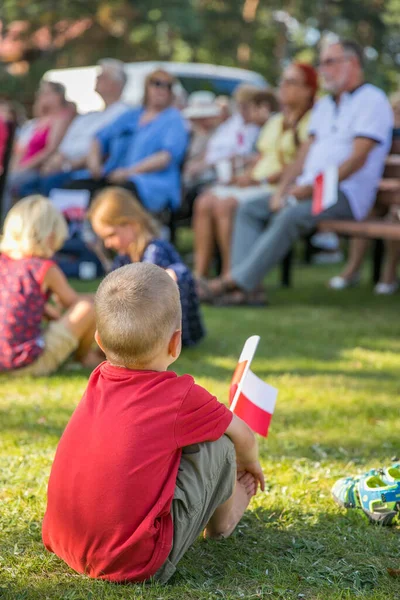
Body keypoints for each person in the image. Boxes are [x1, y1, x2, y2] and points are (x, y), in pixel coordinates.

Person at [42, 262, 265, 583]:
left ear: (100, 342)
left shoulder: (98, 379)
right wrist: (251, 464)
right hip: (135, 561)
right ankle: (224, 522)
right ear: (176, 343)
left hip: (64, 539)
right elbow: (242, 433)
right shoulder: (180, 394)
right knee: (221, 445)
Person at [202, 39, 394, 305]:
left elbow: (357, 160)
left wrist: (312, 188)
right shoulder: (326, 106)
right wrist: (281, 190)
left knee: (290, 215)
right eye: (322, 62)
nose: (322, 69)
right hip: (307, 191)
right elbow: (305, 153)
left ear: (352, 64)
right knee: (248, 209)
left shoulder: (372, 100)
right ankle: (249, 289)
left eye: (329, 62)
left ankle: (231, 282)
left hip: (346, 194)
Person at [193, 64, 316, 284]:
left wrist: (260, 179)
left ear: (309, 89)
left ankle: (229, 278)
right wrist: (245, 176)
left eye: (291, 82)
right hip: (256, 183)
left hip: (275, 187)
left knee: (225, 204)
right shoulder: (277, 121)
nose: (284, 87)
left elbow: (300, 164)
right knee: (204, 201)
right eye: (283, 82)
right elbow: (261, 156)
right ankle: (199, 275)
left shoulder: (311, 122)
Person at [87, 186, 205, 347]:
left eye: (111, 235)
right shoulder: (123, 258)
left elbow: (146, 297)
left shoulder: (155, 251)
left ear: (132, 224)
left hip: (172, 332)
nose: (107, 244)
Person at [62, 68, 188, 213]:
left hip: (149, 183)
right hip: (114, 176)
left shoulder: (173, 118)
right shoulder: (132, 114)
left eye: (168, 86)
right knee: (72, 188)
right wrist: (94, 165)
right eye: (156, 83)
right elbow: (99, 137)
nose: (162, 89)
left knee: (115, 197)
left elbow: (166, 157)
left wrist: (129, 172)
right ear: (147, 87)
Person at [0, 196, 101, 375]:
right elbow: (74, 304)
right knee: (88, 307)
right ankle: (84, 357)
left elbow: (11, 303)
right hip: (26, 364)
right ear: (51, 236)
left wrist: (50, 313)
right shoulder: (43, 267)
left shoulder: (4, 261)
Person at [19, 59, 130, 198]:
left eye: (102, 76)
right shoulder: (90, 116)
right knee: (26, 186)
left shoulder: (123, 114)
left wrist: (67, 166)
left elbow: (105, 151)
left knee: (44, 185)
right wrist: (54, 163)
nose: (97, 79)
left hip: (82, 172)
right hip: (62, 168)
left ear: (116, 84)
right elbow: (64, 146)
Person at [328, 91, 400, 295]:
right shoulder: (383, 119)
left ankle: (389, 274)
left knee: (396, 214)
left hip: (396, 193)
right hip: (380, 188)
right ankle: (352, 269)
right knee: (364, 212)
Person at [4, 82, 73, 212]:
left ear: (58, 96)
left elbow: (50, 149)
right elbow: (21, 150)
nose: (42, 97)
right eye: (41, 94)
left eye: (46, 93)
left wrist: (24, 167)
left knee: (9, 183)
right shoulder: (37, 122)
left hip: (37, 168)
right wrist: (15, 168)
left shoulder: (60, 118)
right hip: (24, 167)